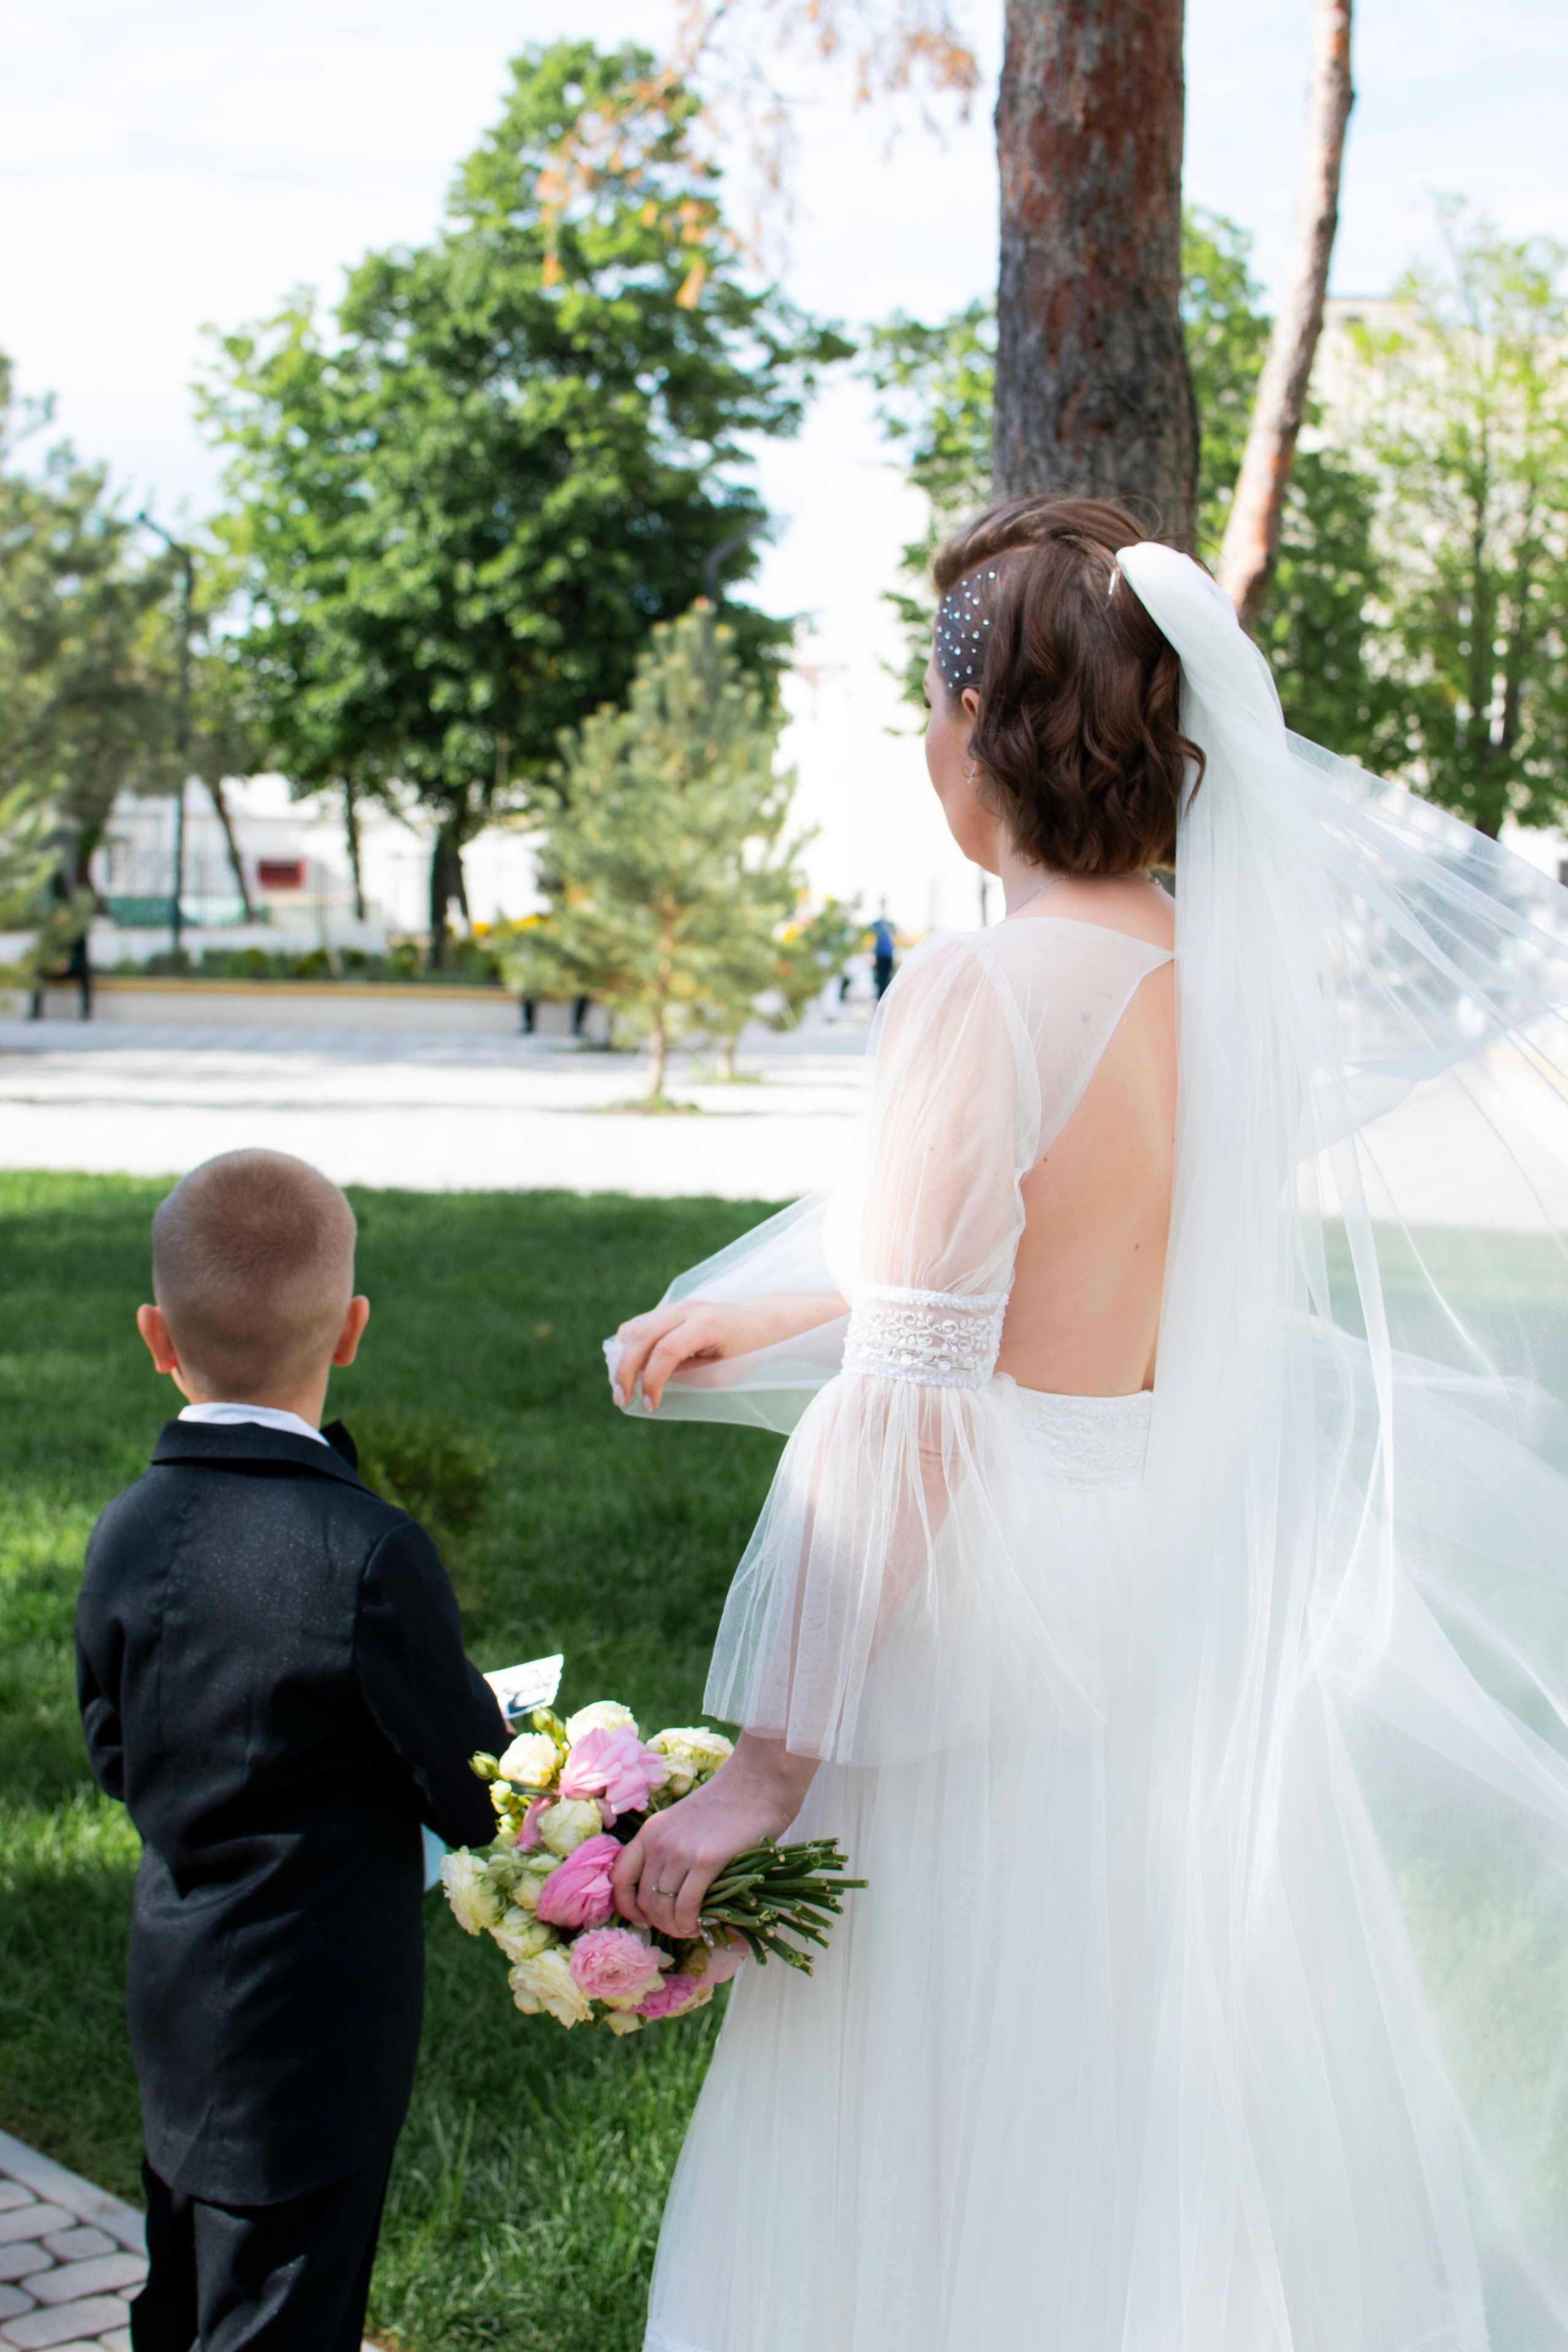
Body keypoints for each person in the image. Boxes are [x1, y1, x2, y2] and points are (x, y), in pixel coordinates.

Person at [604, 497, 1568, 2352]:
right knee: (1111, 2074)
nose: (922, 736)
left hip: (980, 1618)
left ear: (983, 727)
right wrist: (786, 1305)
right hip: (1142, 1579)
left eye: (928, 700)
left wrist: (767, 1770)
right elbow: (1050, 1262)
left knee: (931, 2080)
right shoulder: (1205, 978)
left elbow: (915, 1407)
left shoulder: (975, 982)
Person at [76, 1148, 508, 2352]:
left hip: (178, 1999)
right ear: (352, 1329)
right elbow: (472, 1789)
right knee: (282, 2321)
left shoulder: (124, 1530)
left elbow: (115, 1750)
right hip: (319, 2032)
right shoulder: (368, 1550)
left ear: (156, 1337)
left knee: (181, 2292)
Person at [869, 902, 897, 998]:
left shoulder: (890, 924)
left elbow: (893, 940)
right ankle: (880, 999)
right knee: (880, 979)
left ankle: (885, 998)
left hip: (888, 954)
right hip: (880, 954)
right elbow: (872, 939)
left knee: (887, 979)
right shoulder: (876, 924)